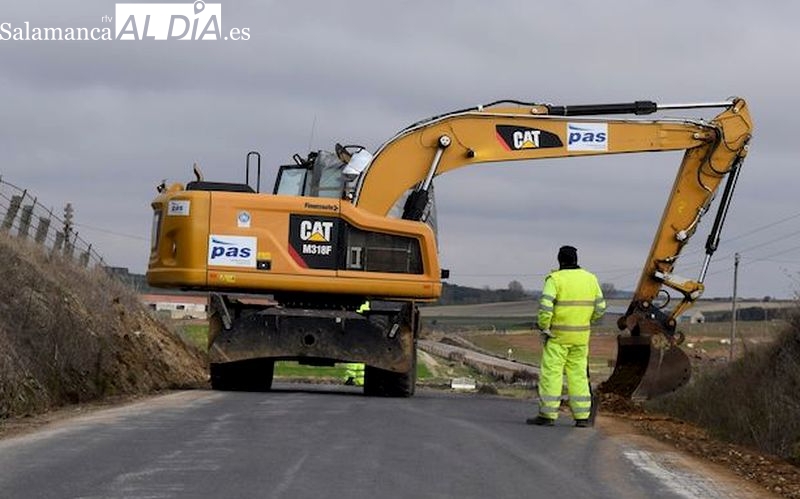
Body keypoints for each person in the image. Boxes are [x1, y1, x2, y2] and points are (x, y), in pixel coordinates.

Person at [528, 245, 606, 428]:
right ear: (576, 260)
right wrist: (587, 321)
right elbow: (600, 308)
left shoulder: (554, 279)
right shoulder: (590, 279)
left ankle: (547, 415)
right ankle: (582, 417)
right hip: (580, 338)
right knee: (578, 375)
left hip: (557, 337)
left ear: (559, 260)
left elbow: (546, 307)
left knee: (552, 374)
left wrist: (544, 327)